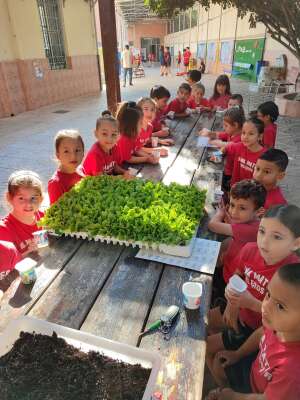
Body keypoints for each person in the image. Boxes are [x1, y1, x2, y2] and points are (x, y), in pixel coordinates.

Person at [206, 204, 300, 386]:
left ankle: (223, 388)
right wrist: (233, 305)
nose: (264, 242)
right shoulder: (250, 249)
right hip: (238, 308)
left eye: (277, 237)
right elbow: (238, 275)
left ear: (296, 243)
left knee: (209, 348)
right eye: (262, 231)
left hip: (255, 327)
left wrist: (248, 304)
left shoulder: (290, 276)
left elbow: (279, 316)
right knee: (203, 319)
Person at [207, 263, 300, 400]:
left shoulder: (292, 371)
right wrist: (237, 354)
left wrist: (233, 396)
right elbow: (262, 333)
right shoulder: (277, 325)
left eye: (280, 306)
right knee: (219, 362)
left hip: (258, 394)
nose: (265, 307)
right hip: (252, 373)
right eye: (268, 294)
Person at [208, 180, 266, 302]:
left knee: (218, 295)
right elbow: (233, 226)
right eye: (232, 205)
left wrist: (220, 213)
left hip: (232, 279)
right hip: (229, 267)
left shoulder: (250, 229)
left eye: (242, 208)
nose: (234, 212)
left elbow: (213, 225)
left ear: (259, 211)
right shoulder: (250, 222)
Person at [0, 170, 44, 256]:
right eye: (21, 198)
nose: (28, 204)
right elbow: (5, 265)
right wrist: (28, 253)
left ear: (41, 199)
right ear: (9, 198)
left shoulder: (43, 217)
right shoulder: (4, 230)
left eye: (33, 198)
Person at [82, 114, 131, 178]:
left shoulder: (115, 148)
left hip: (108, 178)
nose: (109, 139)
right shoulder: (95, 154)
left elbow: (114, 166)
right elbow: (99, 178)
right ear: (96, 134)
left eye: (113, 134)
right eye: (104, 134)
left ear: (118, 136)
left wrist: (124, 172)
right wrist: (122, 177)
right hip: (92, 182)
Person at [222, 117, 266, 186]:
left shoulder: (265, 156)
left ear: (260, 136)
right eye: (243, 133)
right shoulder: (239, 146)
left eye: (251, 134)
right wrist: (217, 154)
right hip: (235, 188)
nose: (245, 137)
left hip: (251, 193)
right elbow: (226, 147)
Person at [48, 130, 85, 205]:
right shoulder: (56, 184)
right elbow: (56, 212)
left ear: (83, 152)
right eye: (66, 151)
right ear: (58, 155)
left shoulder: (81, 169)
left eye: (77, 150)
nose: (73, 156)